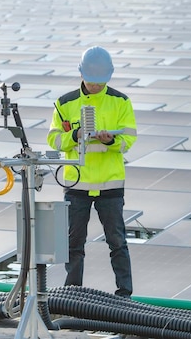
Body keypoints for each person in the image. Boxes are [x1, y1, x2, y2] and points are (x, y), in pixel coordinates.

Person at [47, 46, 137, 298]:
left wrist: (110, 141)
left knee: (117, 242)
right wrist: (74, 135)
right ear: (81, 74)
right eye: (92, 81)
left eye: (101, 82)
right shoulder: (65, 103)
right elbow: (53, 140)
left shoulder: (120, 101)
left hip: (110, 184)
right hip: (77, 185)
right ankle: (73, 295)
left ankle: (124, 295)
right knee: (74, 244)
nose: (96, 86)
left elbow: (129, 140)